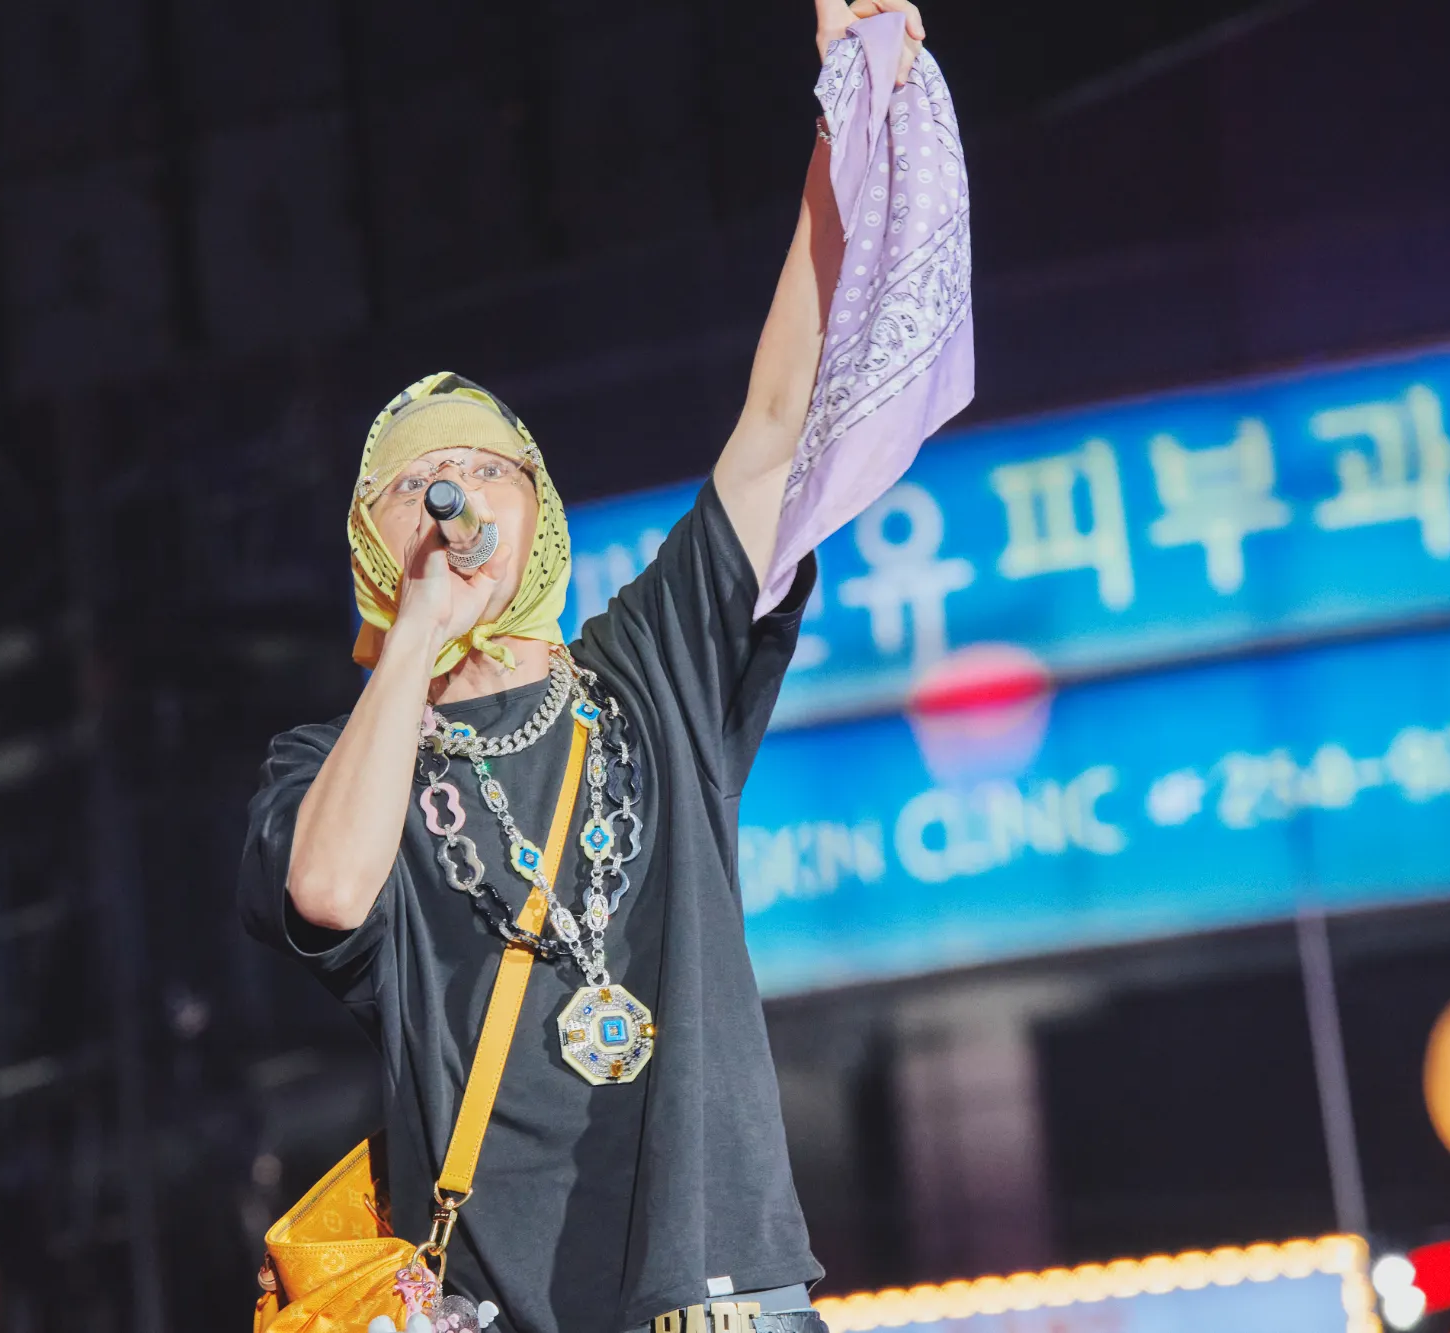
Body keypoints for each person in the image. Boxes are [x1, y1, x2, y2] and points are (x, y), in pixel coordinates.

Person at [239, 2, 973, 1331]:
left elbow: (775, 422)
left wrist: (844, 120)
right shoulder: (327, 768)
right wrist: (416, 633)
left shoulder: (647, 664)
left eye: (484, 469)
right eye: (411, 486)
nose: (451, 497)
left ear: (542, 509)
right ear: (369, 545)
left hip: (721, 1293)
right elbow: (332, 891)